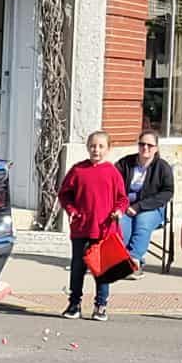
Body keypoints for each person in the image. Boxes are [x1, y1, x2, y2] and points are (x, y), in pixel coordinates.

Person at [59, 130, 128, 322]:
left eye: (100, 146)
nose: (96, 150)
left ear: (108, 149)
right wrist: (71, 209)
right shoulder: (78, 170)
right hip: (82, 226)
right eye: (92, 146)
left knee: (102, 269)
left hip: (104, 228)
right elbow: (65, 194)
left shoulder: (113, 172)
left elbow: (122, 198)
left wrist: (118, 211)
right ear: (87, 147)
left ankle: (101, 304)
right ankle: (74, 303)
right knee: (78, 267)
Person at [115, 129, 174, 269]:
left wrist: (139, 207)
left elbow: (167, 192)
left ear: (156, 148)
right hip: (126, 207)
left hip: (152, 208)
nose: (145, 148)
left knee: (142, 221)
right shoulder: (125, 163)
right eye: (142, 144)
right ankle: (118, 258)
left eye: (150, 145)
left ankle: (134, 260)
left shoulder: (162, 167)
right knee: (120, 224)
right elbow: (112, 181)